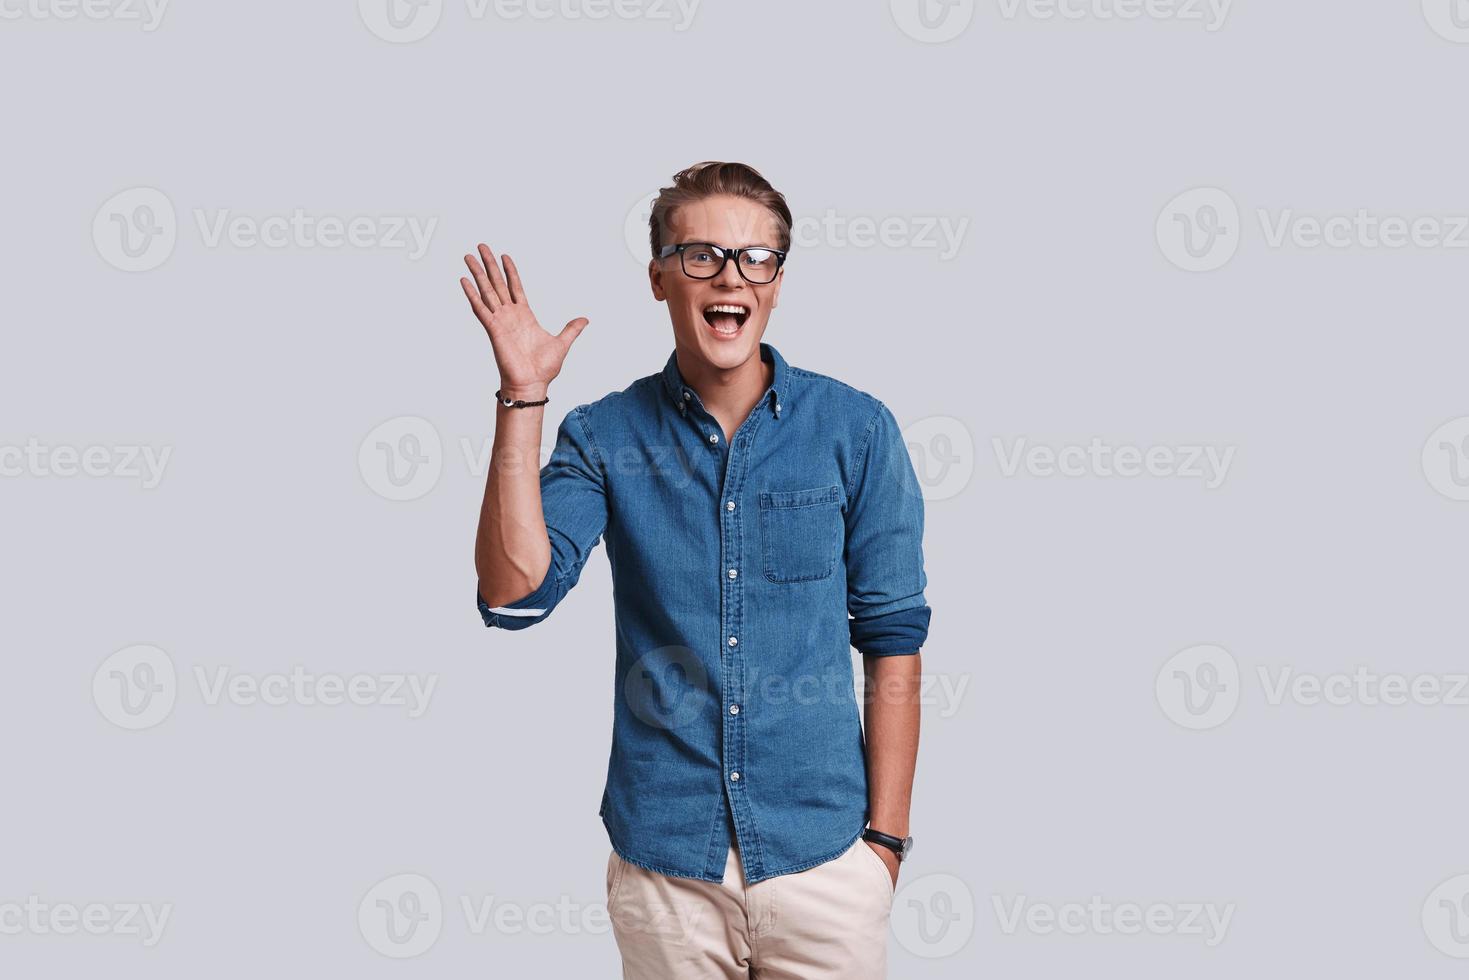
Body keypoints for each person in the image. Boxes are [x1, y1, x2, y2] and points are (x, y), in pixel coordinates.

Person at [461, 161, 931, 979]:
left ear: (777, 282)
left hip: (825, 861)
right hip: (667, 870)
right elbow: (514, 594)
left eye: (755, 258)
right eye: (701, 255)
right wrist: (521, 397)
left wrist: (884, 845)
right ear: (659, 278)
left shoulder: (855, 430)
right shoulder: (604, 437)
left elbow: (892, 638)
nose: (730, 276)